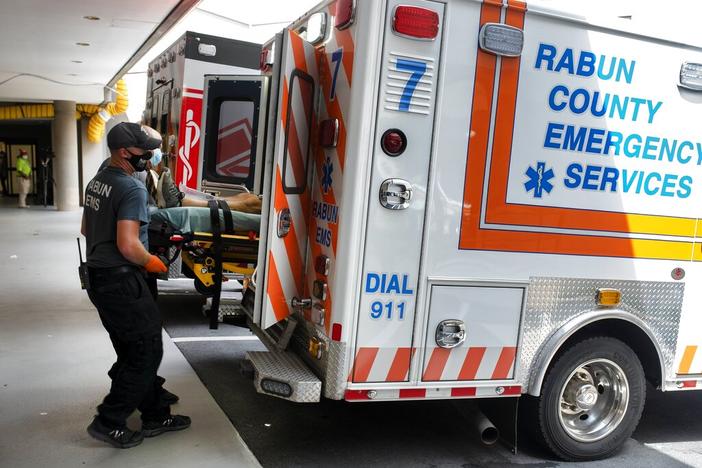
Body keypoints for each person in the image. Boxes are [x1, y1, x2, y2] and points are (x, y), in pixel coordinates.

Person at [81, 122, 190, 449]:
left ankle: (156, 414)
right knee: (145, 351)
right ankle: (109, 420)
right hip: (123, 280)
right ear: (126, 153)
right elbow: (129, 245)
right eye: (145, 151)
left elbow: (88, 228)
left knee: (133, 349)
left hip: (100, 279)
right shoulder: (132, 188)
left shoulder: (97, 182)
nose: (151, 155)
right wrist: (151, 262)